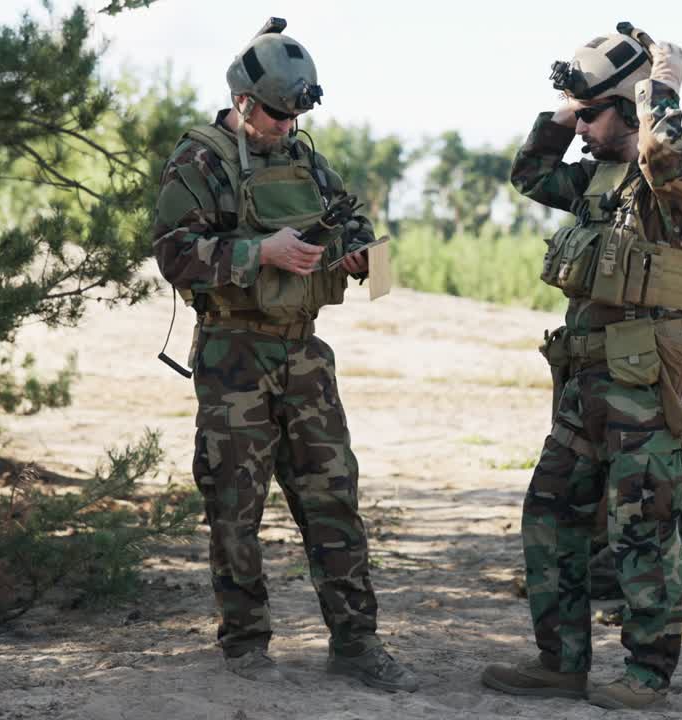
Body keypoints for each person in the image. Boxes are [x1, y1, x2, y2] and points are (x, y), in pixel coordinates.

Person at [150, 18, 417, 691]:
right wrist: (257, 252)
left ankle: (356, 643)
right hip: (233, 356)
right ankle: (245, 645)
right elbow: (173, 255)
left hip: (305, 357)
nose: (286, 126)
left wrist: (362, 259)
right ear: (243, 102)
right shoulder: (200, 159)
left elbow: (365, 243)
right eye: (276, 114)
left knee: (334, 501)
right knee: (233, 504)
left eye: (297, 114)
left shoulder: (305, 157)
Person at [480, 24, 682, 711]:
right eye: (575, 116)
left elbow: (662, 148)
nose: (579, 127)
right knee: (549, 514)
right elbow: (529, 174)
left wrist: (658, 90)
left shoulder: (678, 178)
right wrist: (572, 104)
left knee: (641, 531)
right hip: (584, 387)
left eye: (591, 116)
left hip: (642, 389)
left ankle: (647, 677)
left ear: (631, 111)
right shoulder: (599, 176)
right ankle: (562, 662)